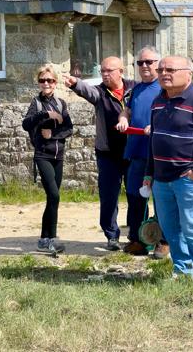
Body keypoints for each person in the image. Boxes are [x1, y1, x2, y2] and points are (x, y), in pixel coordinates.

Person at [142, 56, 193, 287]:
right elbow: (154, 140)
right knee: (170, 229)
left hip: (188, 178)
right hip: (161, 180)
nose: (163, 74)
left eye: (170, 69)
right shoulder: (158, 101)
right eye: (160, 70)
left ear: (188, 73)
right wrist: (149, 174)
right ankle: (182, 269)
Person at [64, 56, 136, 251]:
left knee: (135, 195)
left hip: (133, 152)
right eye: (103, 71)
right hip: (108, 153)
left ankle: (136, 235)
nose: (105, 74)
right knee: (109, 196)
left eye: (109, 71)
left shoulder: (134, 89)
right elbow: (87, 91)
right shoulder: (100, 92)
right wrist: (75, 83)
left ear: (121, 71)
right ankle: (112, 236)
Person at [115, 47, 167, 258]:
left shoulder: (165, 88)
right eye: (140, 63)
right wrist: (123, 118)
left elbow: (173, 115)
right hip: (137, 152)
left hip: (159, 154)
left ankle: (163, 241)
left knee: (162, 199)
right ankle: (139, 240)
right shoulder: (136, 89)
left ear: (158, 64)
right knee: (135, 198)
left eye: (149, 62)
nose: (144, 66)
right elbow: (127, 109)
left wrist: (156, 126)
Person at [23, 65, 75, 255]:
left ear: (55, 83)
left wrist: (52, 134)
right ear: (39, 83)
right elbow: (25, 124)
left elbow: (69, 129)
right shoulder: (36, 103)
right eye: (42, 80)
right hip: (42, 156)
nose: (46, 84)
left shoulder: (61, 103)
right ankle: (52, 240)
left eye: (50, 80)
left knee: (52, 198)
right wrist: (46, 114)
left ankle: (43, 240)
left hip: (58, 156)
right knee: (54, 195)